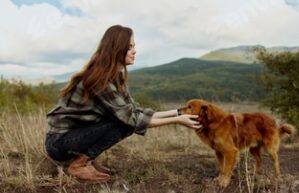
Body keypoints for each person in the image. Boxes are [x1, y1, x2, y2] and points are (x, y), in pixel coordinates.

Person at [45, 25, 201, 183]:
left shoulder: (114, 77)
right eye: (130, 47)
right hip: (59, 143)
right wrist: (177, 120)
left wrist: (178, 112)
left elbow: (135, 111)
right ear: (118, 48)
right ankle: (78, 165)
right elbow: (132, 120)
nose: (135, 51)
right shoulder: (101, 81)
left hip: (73, 138)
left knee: (124, 120)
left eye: (134, 46)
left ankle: (85, 159)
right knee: (123, 123)